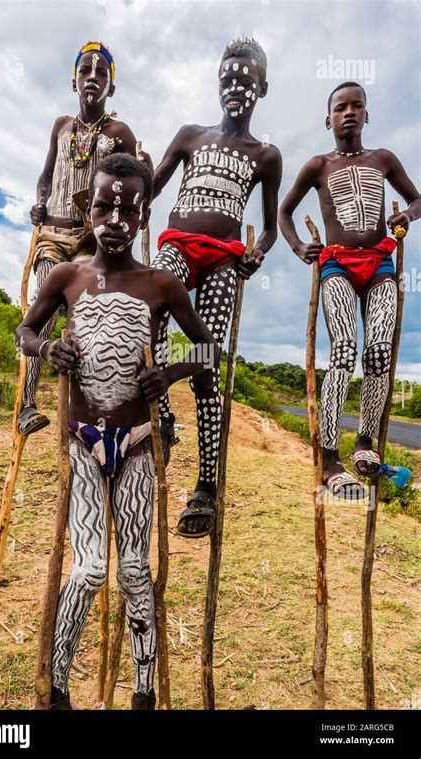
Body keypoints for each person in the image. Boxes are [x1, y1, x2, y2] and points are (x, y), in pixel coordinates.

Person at [15, 154, 218, 709]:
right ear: (89, 205)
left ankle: (143, 694)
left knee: (133, 570)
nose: (114, 218)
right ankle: (56, 687)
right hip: (82, 441)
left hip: (134, 446)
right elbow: (25, 329)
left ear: (144, 215)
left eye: (128, 208)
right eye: (104, 204)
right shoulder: (69, 275)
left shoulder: (161, 284)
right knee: (86, 570)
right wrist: (48, 348)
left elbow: (206, 348)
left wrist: (168, 373)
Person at [151, 37, 282, 536]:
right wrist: (135, 181)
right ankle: (163, 414)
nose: (235, 87)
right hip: (178, 244)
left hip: (225, 260)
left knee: (208, 362)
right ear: (217, 82)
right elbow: (156, 182)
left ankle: (205, 485)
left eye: (246, 80)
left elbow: (269, 226)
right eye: (228, 78)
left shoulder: (265, 155)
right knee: (151, 306)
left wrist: (257, 253)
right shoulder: (190, 135)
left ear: (262, 89)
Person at [278, 81, 420, 499]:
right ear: (328, 119)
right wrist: (299, 246)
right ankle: (328, 458)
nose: (349, 112)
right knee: (343, 349)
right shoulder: (317, 165)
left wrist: (406, 218)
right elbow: (283, 211)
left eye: (357, 106)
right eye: (341, 107)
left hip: (380, 263)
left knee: (378, 351)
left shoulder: (384, 159)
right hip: (337, 263)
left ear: (367, 115)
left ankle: (366, 444)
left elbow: (417, 200)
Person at [18, 40, 151, 436]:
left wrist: (141, 199)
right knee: (42, 310)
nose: (92, 77)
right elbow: (46, 175)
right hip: (52, 236)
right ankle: (27, 404)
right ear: (73, 80)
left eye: (102, 73)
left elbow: (138, 183)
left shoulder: (119, 132)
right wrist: (39, 204)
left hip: (92, 240)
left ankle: (97, 409)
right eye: (85, 71)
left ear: (112, 86)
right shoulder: (61, 126)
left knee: (92, 320)